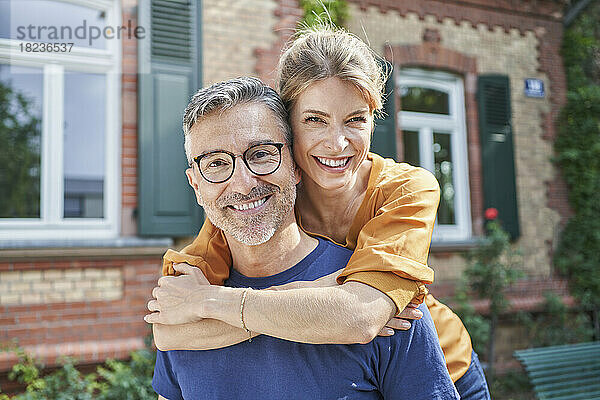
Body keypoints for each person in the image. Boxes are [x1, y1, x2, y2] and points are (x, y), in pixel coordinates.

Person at [147, 25, 490, 399]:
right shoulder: (260, 197)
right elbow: (170, 330)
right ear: (290, 127)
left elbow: (362, 316)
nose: (337, 143)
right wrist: (325, 297)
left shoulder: (405, 190)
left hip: (446, 364)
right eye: (315, 120)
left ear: (374, 119)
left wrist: (210, 303)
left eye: (356, 119)